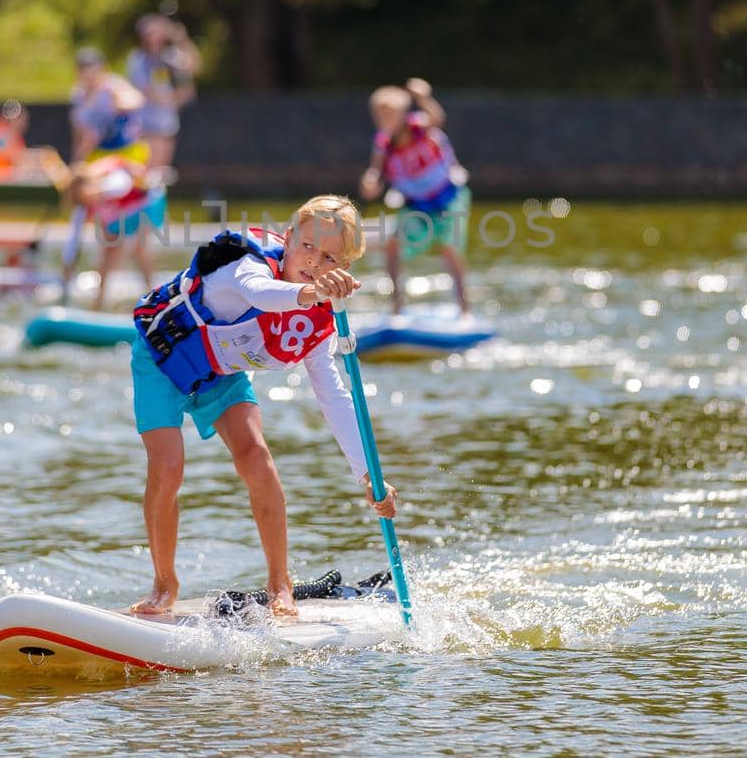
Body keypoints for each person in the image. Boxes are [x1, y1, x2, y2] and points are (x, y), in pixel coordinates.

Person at [128, 195, 398, 616]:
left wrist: (367, 474)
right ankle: (164, 584)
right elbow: (264, 294)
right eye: (307, 247)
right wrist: (309, 292)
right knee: (167, 468)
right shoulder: (247, 265)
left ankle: (279, 585)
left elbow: (333, 396)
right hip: (162, 358)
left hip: (220, 373)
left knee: (256, 456)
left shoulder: (319, 323)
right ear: (288, 239)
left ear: (343, 270)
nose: (313, 261)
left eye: (329, 257)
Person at [358, 78, 471, 315]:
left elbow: (437, 117)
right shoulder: (384, 144)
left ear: (403, 113)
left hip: (448, 198)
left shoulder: (420, 127)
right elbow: (375, 172)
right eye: (380, 117)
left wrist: (423, 97)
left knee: (449, 250)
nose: (385, 121)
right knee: (392, 247)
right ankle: (397, 308)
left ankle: (464, 311)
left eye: (390, 115)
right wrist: (370, 182)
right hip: (415, 205)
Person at [59, 154, 167, 309]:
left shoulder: (110, 179)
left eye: (88, 195)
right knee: (109, 251)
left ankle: (153, 295)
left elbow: (123, 183)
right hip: (121, 211)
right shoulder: (84, 203)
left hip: (147, 202)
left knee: (139, 248)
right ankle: (99, 300)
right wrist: (67, 268)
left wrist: (103, 192)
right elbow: (74, 241)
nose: (89, 200)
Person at [127, 13, 202, 170]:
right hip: (145, 125)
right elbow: (146, 92)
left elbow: (195, 66)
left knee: (160, 172)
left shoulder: (169, 56)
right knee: (146, 170)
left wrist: (181, 39)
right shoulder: (138, 60)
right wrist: (177, 98)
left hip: (166, 124)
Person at [70, 46, 147, 165]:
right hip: (99, 152)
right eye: (85, 69)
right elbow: (82, 133)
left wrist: (117, 103)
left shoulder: (113, 84)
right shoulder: (79, 96)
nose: (90, 74)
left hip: (126, 149)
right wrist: (78, 161)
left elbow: (136, 100)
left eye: (93, 69)